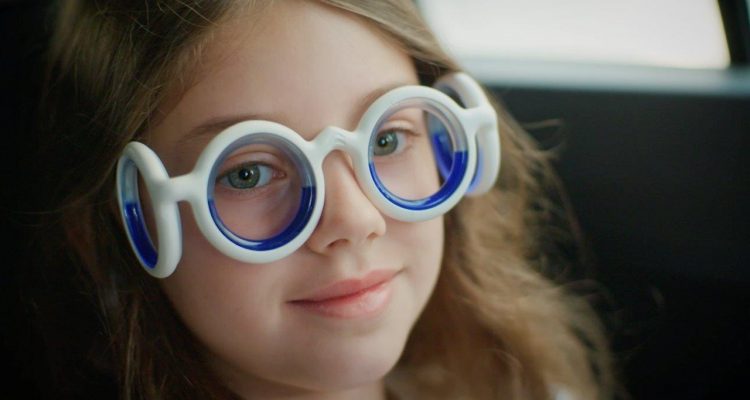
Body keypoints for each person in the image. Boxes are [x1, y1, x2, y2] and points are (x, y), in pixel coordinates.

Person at [23, 0, 620, 399]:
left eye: (387, 139)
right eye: (248, 173)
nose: (355, 219)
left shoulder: (516, 389)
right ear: (117, 227)